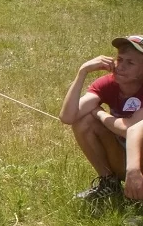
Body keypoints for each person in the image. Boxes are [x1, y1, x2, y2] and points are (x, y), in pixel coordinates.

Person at [60, 35, 143, 201]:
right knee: (83, 121)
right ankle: (109, 184)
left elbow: (129, 129)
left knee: (92, 116)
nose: (121, 66)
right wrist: (82, 72)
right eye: (120, 59)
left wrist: (99, 113)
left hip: (139, 159)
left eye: (130, 63)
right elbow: (68, 117)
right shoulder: (108, 83)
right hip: (125, 155)